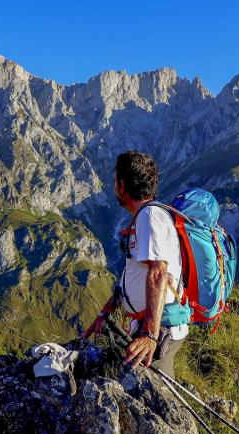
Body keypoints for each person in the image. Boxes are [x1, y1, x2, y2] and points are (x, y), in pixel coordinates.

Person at [81, 151, 189, 378]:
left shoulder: (149, 216)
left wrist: (150, 334)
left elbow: (158, 272)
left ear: (121, 184)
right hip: (153, 327)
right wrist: (107, 311)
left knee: (155, 403)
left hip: (160, 332)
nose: (114, 187)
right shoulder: (146, 216)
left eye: (114, 181)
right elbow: (137, 273)